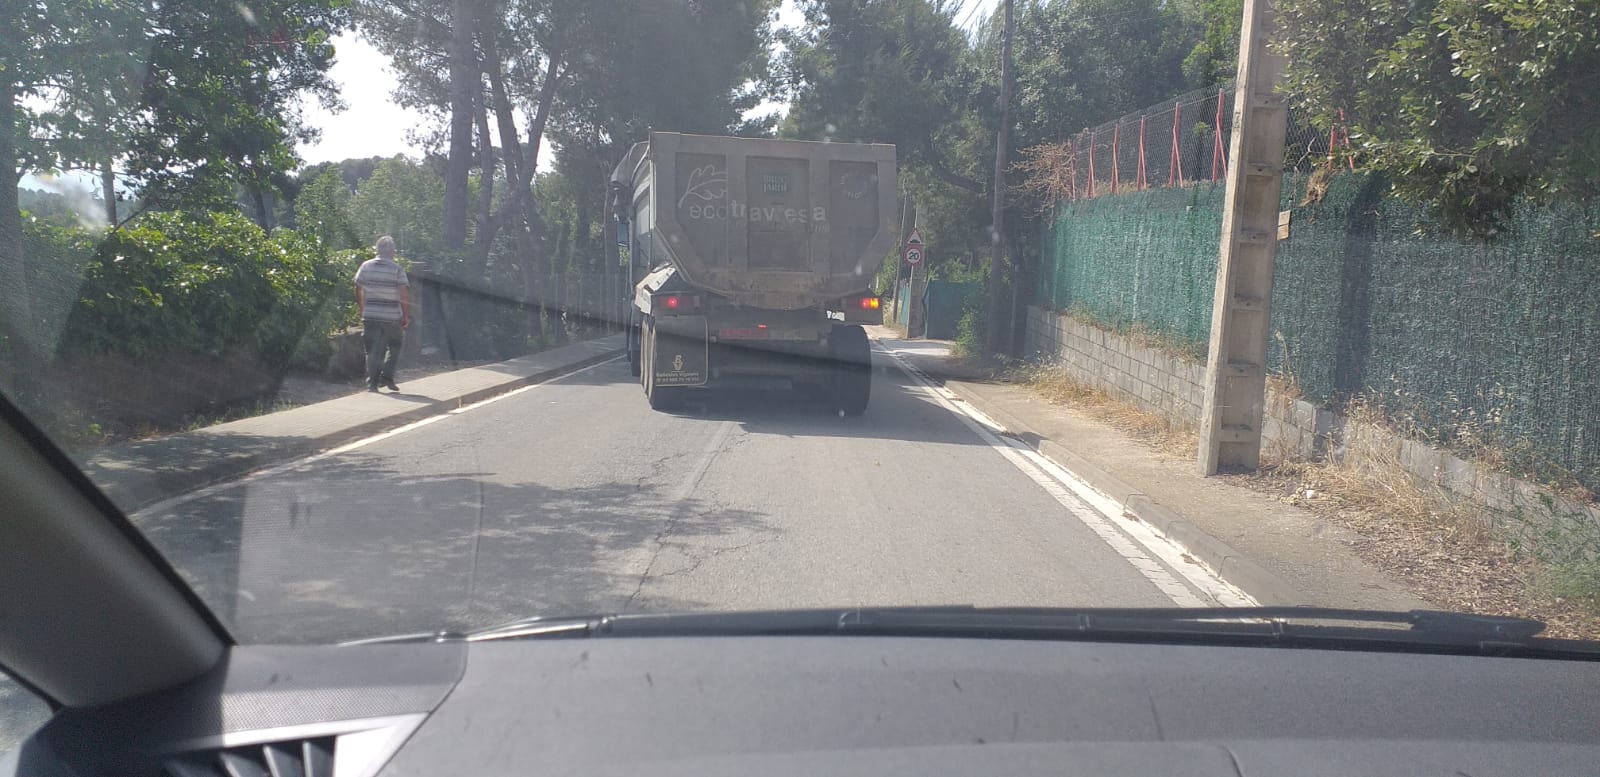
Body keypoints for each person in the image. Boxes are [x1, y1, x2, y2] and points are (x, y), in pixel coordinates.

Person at [353, 236, 411, 392]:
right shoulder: (397, 269)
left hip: (370, 315)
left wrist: (361, 307)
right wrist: (405, 315)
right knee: (395, 347)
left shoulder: (366, 266)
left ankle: (372, 385)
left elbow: (357, 287)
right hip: (392, 317)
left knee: (372, 351)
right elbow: (403, 294)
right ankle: (387, 376)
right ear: (392, 252)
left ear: (377, 250)